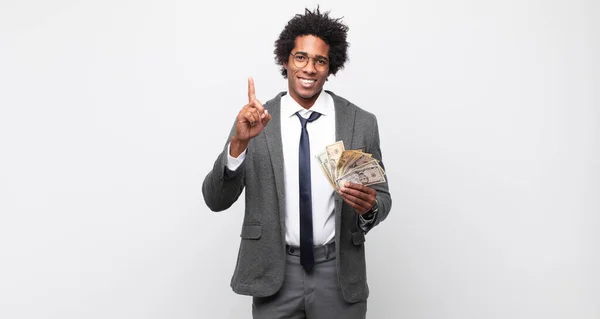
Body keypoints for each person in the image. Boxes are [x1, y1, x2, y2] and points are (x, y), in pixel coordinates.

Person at [202, 7, 391, 319]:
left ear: (330, 68)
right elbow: (216, 199)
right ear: (285, 61)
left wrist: (370, 208)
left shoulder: (360, 123)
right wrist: (238, 144)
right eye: (300, 57)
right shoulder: (256, 122)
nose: (309, 68)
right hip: (276, 275)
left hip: (338, 274)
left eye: (320, 60)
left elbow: (383, 200)